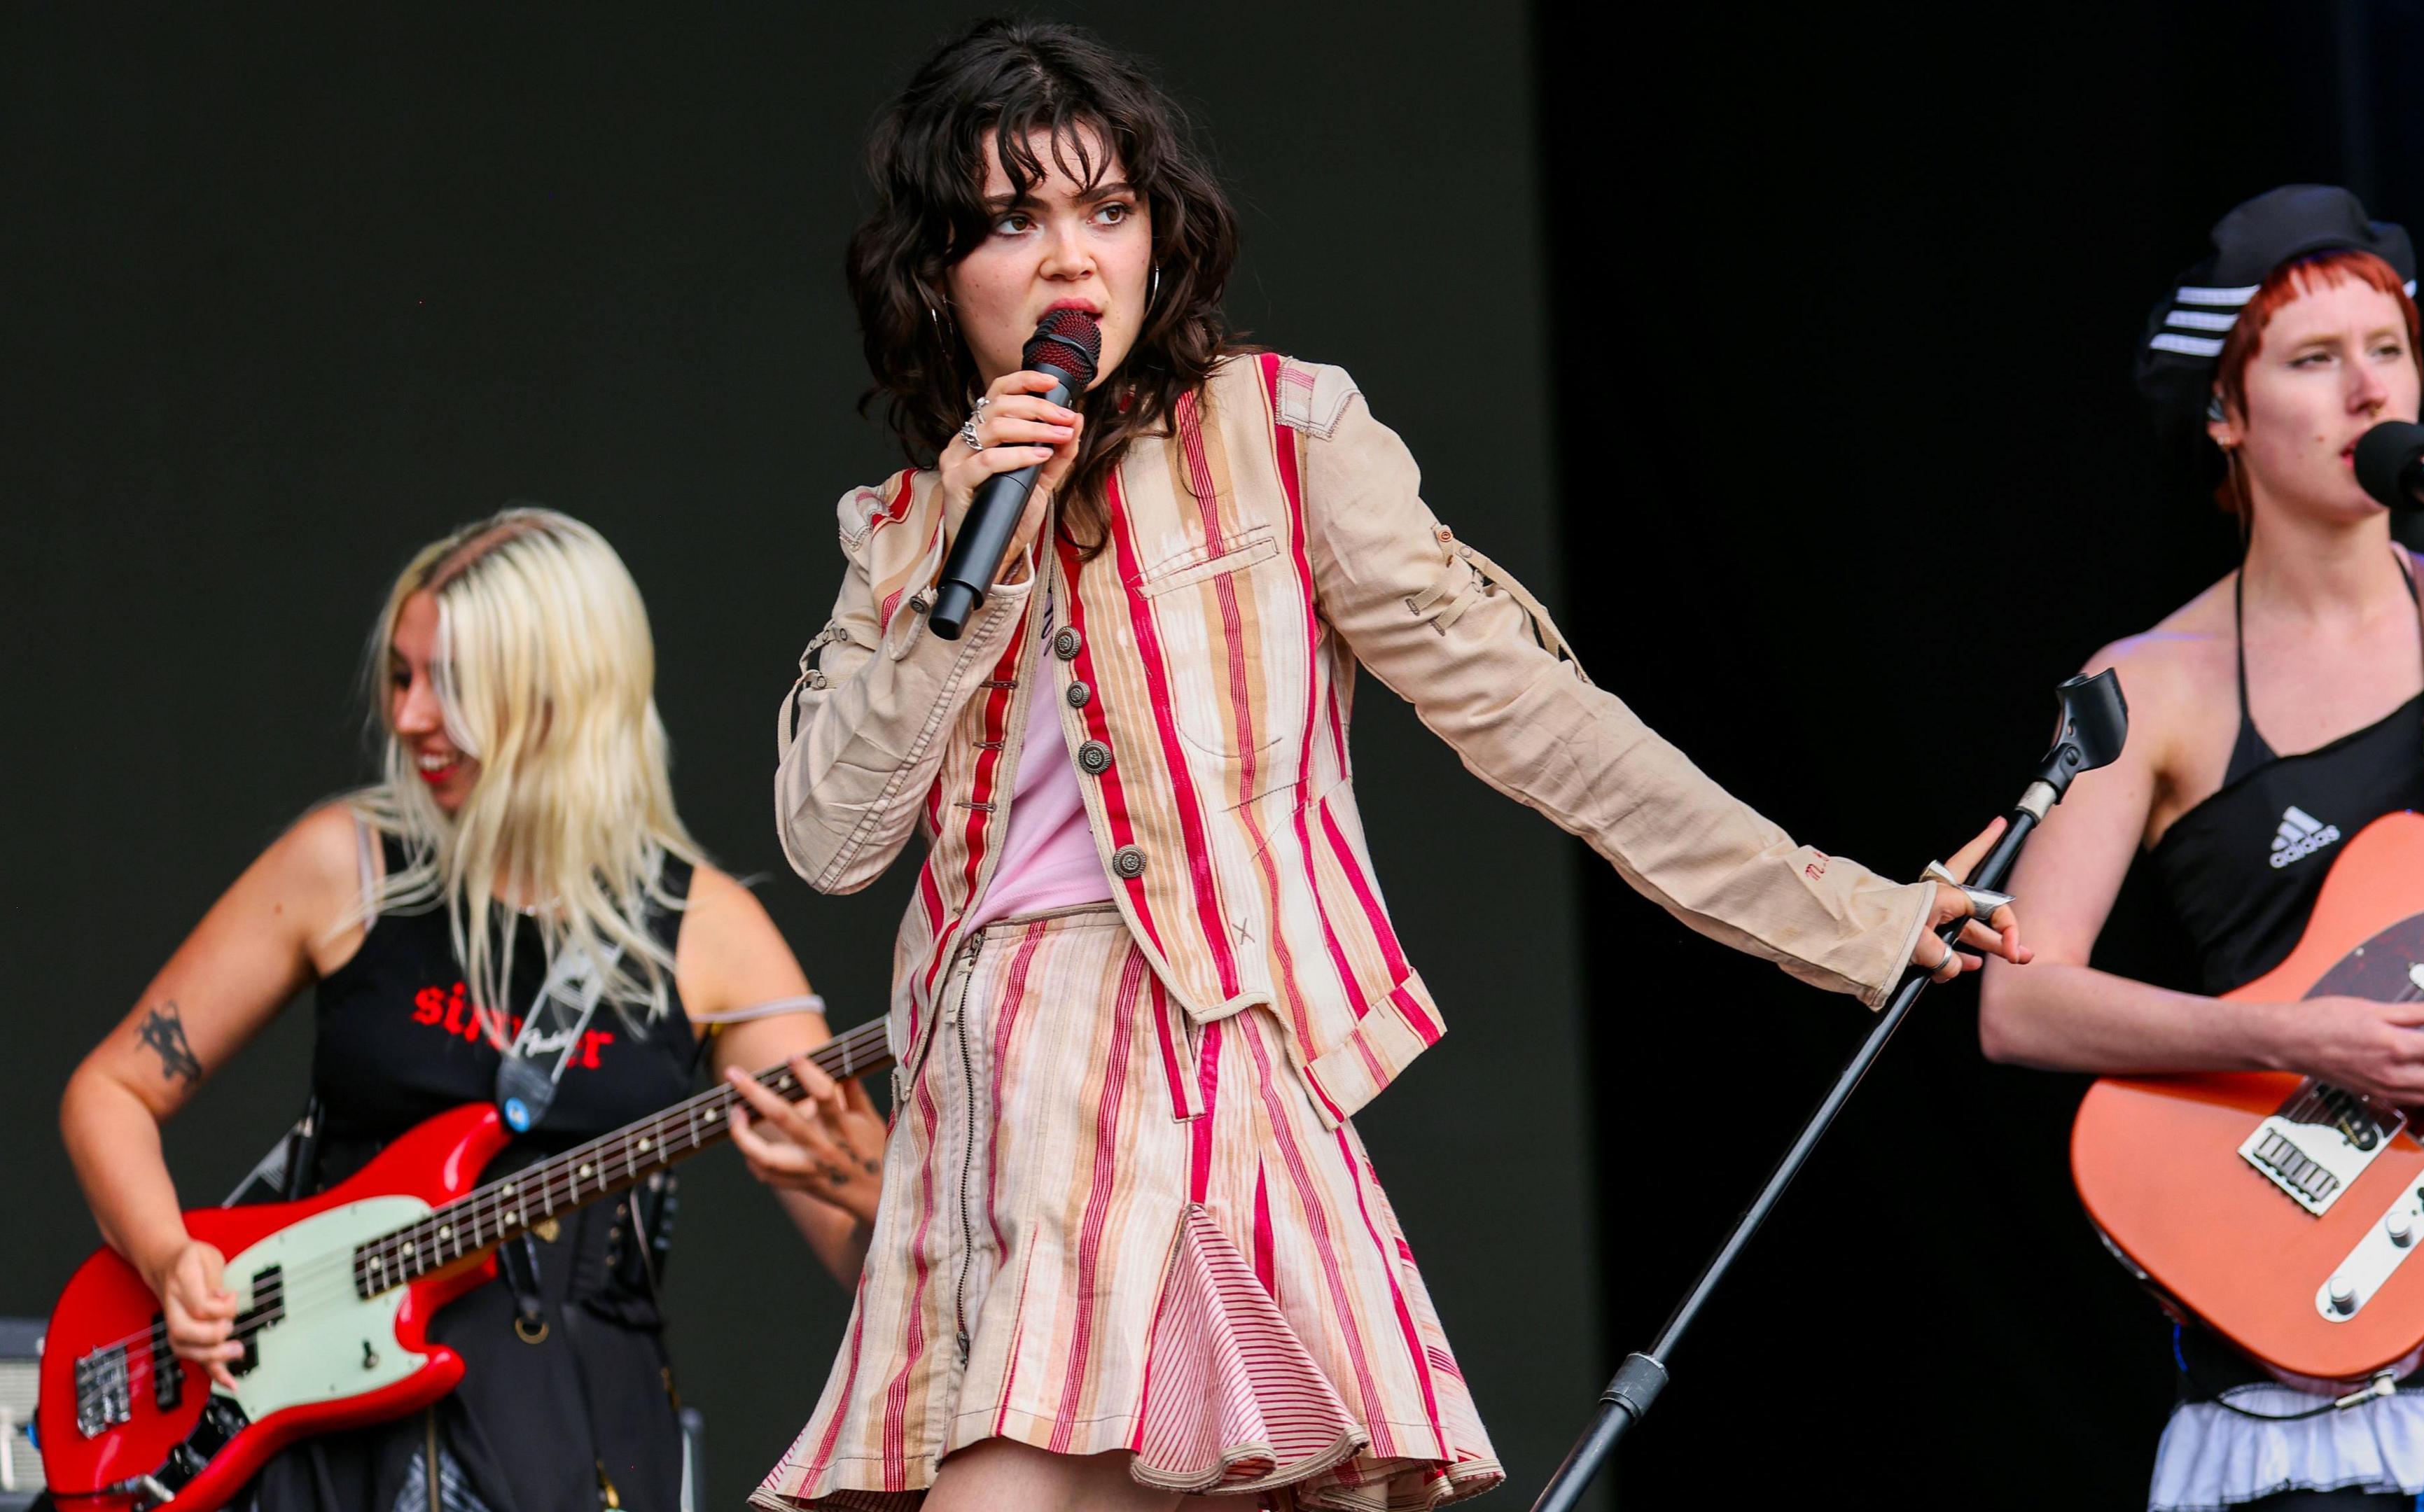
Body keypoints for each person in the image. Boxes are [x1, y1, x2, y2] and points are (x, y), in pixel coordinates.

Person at [758, 20, 2023, 1512]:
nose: (1071, 262)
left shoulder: (1284, 431)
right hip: (979, 1091)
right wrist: (969, 544)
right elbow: (832, 838)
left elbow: (1542, 724)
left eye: (1107, 209)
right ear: (935, 268)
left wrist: (1845, 912)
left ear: (1162, 232)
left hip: (1184, 1050)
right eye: (1014, 220)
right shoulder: (907, 524)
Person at [1978, 186, 2424, 1509]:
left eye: (2389, 350)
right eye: (2315, 360)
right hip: (2290, 1261)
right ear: (2224, 413)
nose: (2369, 391)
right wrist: (2305, 1039)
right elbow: (2022, 1002)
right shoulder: (2154, 683)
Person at [60, 509, 893, 1512]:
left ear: (562, 699)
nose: (409, 718)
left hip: (570, 1435)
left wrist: (876, 1189)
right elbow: (109, 1089)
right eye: (402, 677)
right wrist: (169, 1258)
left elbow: (871, 1265)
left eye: (450, 685)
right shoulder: (347, 863)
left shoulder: (710, 930)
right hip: (321, 1429)